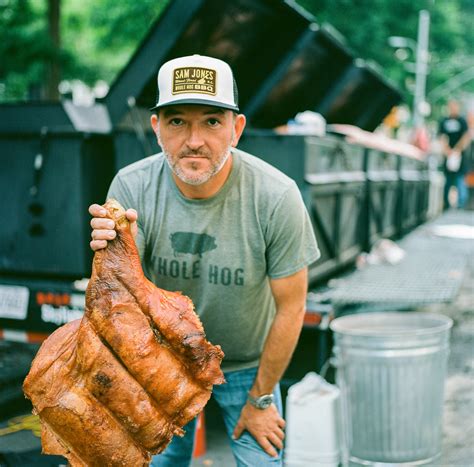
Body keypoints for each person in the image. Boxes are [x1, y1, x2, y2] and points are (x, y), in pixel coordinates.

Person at [88, 54, 320, 467]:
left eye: (212, 121)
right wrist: (111, 252)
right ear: (156, 128)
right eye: (177, 121)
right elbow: (119, 300)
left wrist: (262, 398)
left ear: (237, 128)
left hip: (248, 366)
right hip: (164, 362)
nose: (194, 139)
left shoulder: (276, 197)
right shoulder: (131, 185)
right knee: (157, 462)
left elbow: (292, 306)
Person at [438, 100, 472, 209]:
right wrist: (447, 150)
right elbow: (442, 137)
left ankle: (461, 203)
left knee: (460, 179)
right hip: (448, 156)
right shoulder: (444, 121)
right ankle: (446, 203)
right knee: (448, 180)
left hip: (460, 156)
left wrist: (457, 150)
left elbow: (466, 137)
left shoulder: (462, 121)